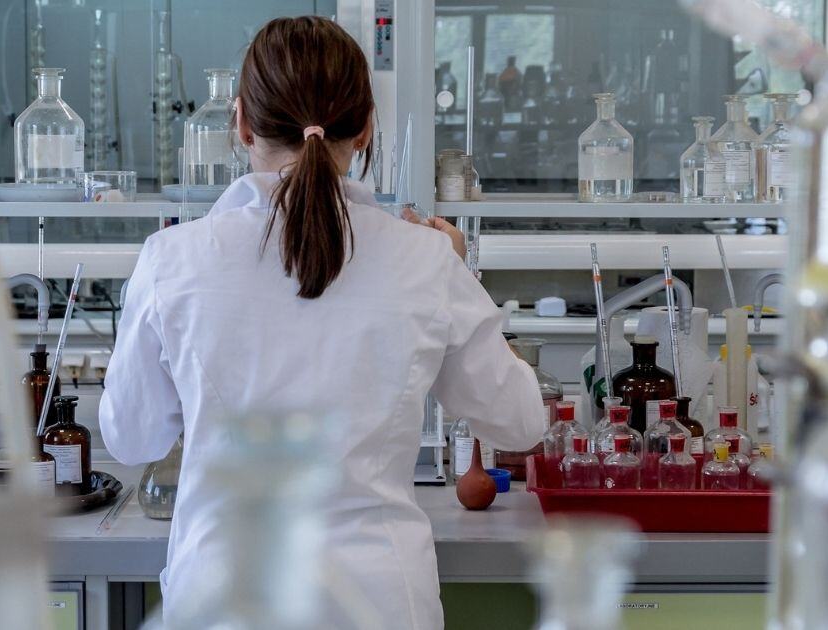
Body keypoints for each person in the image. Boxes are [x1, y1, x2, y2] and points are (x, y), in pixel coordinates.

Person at [98, 16, 546, 629]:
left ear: (242, 124)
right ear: (363, 129)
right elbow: (521, 423)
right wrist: (463, 278)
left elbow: (132, 440)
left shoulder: (173, 259)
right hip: (379, 603)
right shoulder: (426, 259)